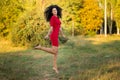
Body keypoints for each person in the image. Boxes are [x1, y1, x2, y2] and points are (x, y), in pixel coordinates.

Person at [34, 5, 65, 73]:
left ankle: (55, 67)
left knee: (55, 53)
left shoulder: (57, 18)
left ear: (57, 11)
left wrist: (63, 35)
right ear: (52, 12)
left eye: (55, 10)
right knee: (54, 51)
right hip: (53, 36)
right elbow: (51, 28)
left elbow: (59, 28)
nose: (55, 11)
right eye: (53, 10)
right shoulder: (52, 18)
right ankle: (40, 47)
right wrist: (47, 35)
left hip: (56, 36)